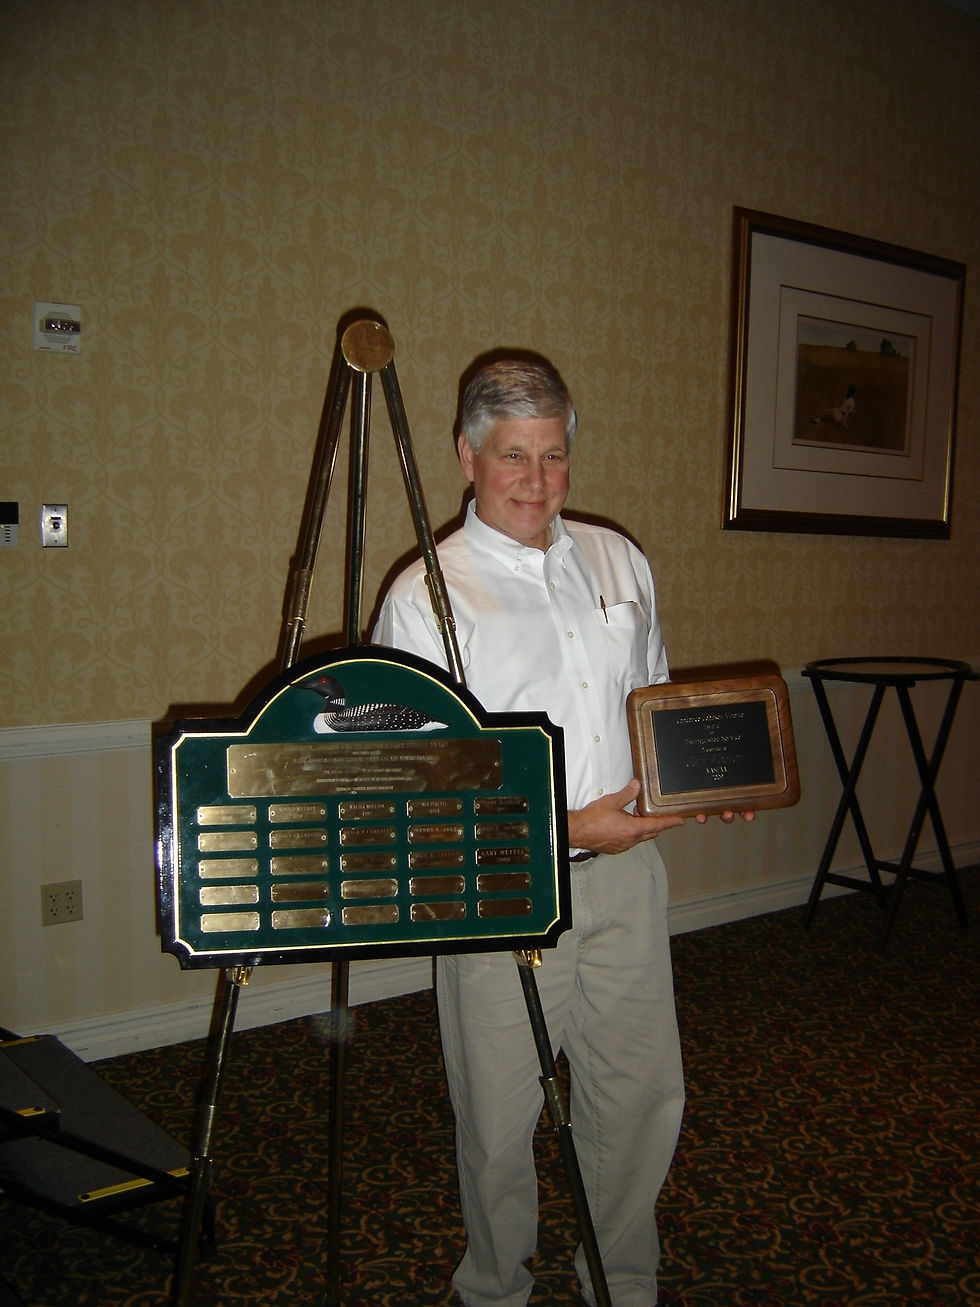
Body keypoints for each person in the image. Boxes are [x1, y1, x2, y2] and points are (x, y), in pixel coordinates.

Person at [373, 355, 748, 1307]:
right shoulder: (426, 597)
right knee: (499, 1113)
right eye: (513, 457)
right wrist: (565, 824)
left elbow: (650, 708)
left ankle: (620, 1277)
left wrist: (709, 779)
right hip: (500, 884)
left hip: (627, 876)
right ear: (466, 453)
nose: (537, 481)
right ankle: (497, 1284)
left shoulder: (621, 559)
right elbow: (411, 791)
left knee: (641, 1091)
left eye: (553, 456)